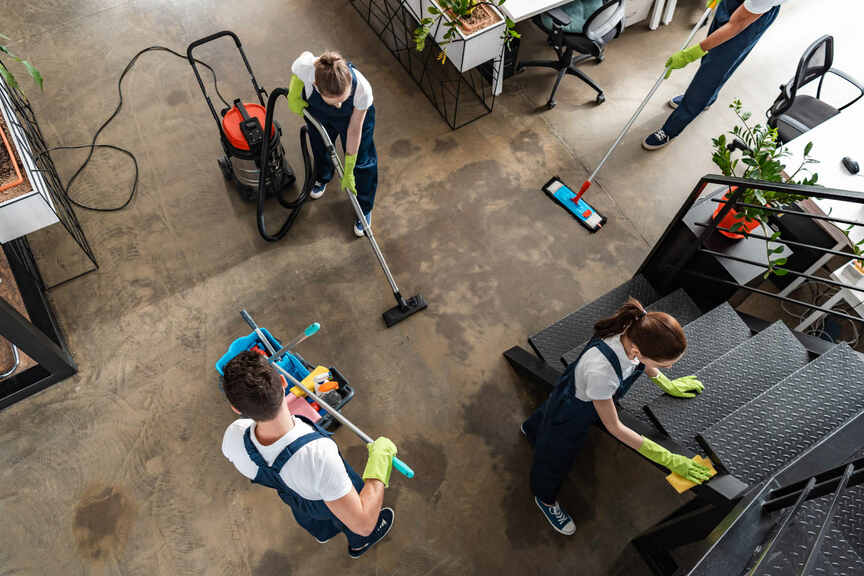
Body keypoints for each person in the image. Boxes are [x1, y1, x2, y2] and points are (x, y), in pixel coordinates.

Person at [522, 298, 713, 535]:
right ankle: (544, 497)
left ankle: (531, 429)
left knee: (550, 412)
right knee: (556, 455)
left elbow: (643, 363)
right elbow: (615, 427)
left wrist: (667, 384)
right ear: (637, 351)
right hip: (576, 409)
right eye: (665, 366)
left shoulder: (634, 329)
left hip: (580, 386)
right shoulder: (604, 373)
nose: (669, 368)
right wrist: (669, 459)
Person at [221, 350, 397, 558]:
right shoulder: (319, 455)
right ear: (284, 382)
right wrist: (380, 462)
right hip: (322, 497)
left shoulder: (234, 435)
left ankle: (323, 532)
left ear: (235, 408)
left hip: (296, 497)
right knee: (350, 514)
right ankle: (359, 545)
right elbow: (363, 523)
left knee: (306, 507)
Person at [642, 0, 785, 150]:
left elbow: (736, 25)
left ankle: (671, 129)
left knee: (710, 75)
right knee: (711, 59)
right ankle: (707, 99)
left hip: (752, 17)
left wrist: (693, 53)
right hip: (738, 5)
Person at [287, 51, 378, 237]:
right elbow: (297, 71)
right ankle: (323, 176)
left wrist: (350, 167)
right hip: (319, 111)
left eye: (342, 100)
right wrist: (294, 94)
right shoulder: (307, 69)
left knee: (362, 159)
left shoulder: (362, 90)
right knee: (319, 144)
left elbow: (354, 130)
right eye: (334, 101)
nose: (338, 105)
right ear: (315, 86)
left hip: (354, 118)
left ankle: (364, 207)